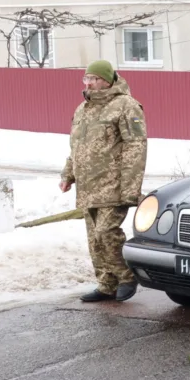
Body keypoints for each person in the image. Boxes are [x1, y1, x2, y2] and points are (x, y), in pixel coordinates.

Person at [59, 60, 148, 302]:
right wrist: (68, 175)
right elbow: (76, 148)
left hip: (113, 184)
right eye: (86, 79)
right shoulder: (83, 109)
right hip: (89, 186)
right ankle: (106, 284)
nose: (89, 83)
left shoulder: (126, 106)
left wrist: (131, 188)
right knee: (94, 240)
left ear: (107, 80)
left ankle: (126, 276)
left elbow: (135, 147)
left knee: (106, 232)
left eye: (94, 78)